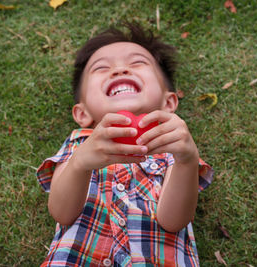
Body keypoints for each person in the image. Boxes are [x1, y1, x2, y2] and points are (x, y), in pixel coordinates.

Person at [36, 22, 214, 266]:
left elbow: (174, 221)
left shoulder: (175, 144)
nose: (119, 70)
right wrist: (79, 164)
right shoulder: (79, 144)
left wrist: (187, 161)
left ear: (168, 103)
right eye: (101, 68)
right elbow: (61, 213)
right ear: (82, 113)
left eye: (138, 63)